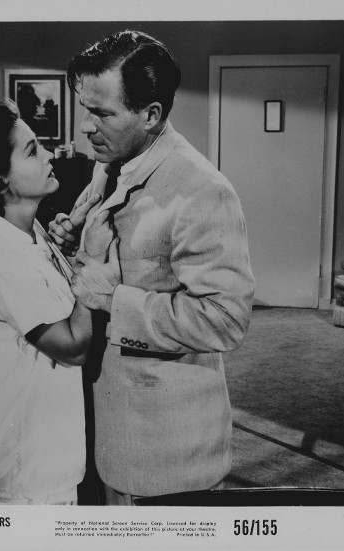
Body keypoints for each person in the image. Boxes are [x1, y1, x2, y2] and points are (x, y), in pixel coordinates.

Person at [49, 30, 256, 505]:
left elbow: (226, 321)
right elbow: (119, 257)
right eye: (84, 108)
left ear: (151, 114)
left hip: (164, 447)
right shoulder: (110, 162)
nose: (85, 126)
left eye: (102, 113)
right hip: (105, 417)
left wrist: (113, 300)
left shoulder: (203, 191)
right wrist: (76, 241)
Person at [0, 100, 111, 505]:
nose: (49, 155)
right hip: (29, 475)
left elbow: (55, 296)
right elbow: (74, 347)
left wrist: (69, 249)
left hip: (52, 451)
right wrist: (92, 259)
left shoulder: (30, 232)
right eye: (32, 150)